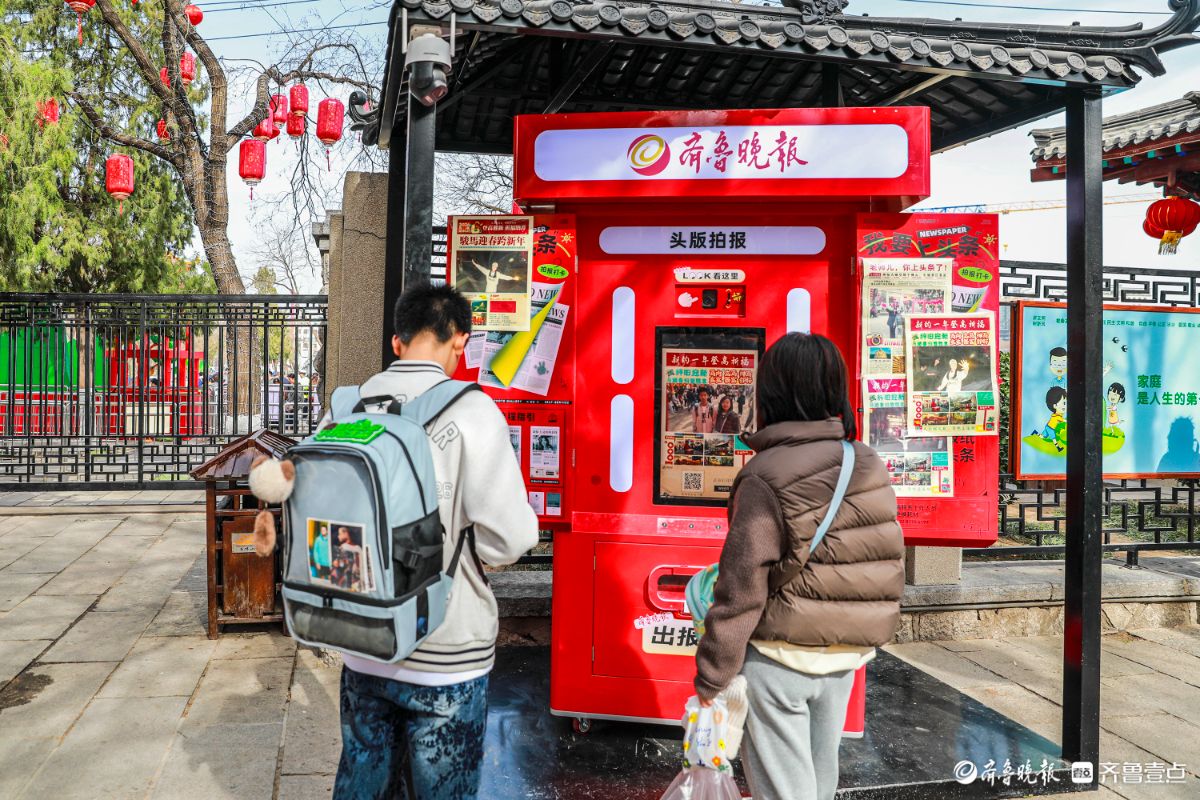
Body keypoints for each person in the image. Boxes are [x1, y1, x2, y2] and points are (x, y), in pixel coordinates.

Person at [331, 284, 538, 800]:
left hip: (363, 641)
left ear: (397, 342)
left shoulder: (345, 409)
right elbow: (509, 539)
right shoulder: (474, 412)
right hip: (446, 650)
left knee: (363, 783)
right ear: (460, 340)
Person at [693, 332, 903, 800]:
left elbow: (742, 588)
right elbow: (885, 557)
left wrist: (712, 675)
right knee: (818, 784)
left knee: (785, 790)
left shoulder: (765, 475)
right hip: (845, 657)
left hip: (778, 660)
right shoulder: (866, 462)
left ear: (771, 391)